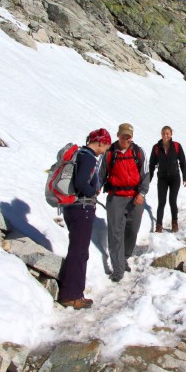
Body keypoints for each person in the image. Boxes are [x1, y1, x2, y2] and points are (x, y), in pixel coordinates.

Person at [58, 128, 112, 310]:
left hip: (72, 207)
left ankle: (71, 291)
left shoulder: (81, 154)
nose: (105, 150)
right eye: (105, 145)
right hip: (83, 208)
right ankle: (72, 295)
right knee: (80, 251)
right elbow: (81, 183)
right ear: (100, 142)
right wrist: (93, 193)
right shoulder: (88, 157)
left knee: (76, 249)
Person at [100, 123, 149, 282]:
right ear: (118, 135)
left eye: (129, 136)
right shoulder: (109, 153)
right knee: (115, 233)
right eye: (123, 136)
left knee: (132, 230)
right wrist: (94, 191)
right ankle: (118, 268)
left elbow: (145, 174)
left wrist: (142, 193)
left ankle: (125, 257)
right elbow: (100, 175)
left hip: (135, 197)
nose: (126, 139)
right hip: (116, 197)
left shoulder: (138, 152)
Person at [149, 126, 186, 233]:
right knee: (161, 202)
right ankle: (159, 226)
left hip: (175, 178)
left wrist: (185, 177)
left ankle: (174, 223)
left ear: (171, 134)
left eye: (167, 133)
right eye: (163, 133)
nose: (165, 135)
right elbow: (152, 165)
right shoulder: (156, 148)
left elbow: (183, 162)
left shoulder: (176, 146)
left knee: (172, 201)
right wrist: (148, 179)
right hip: (162, 178)